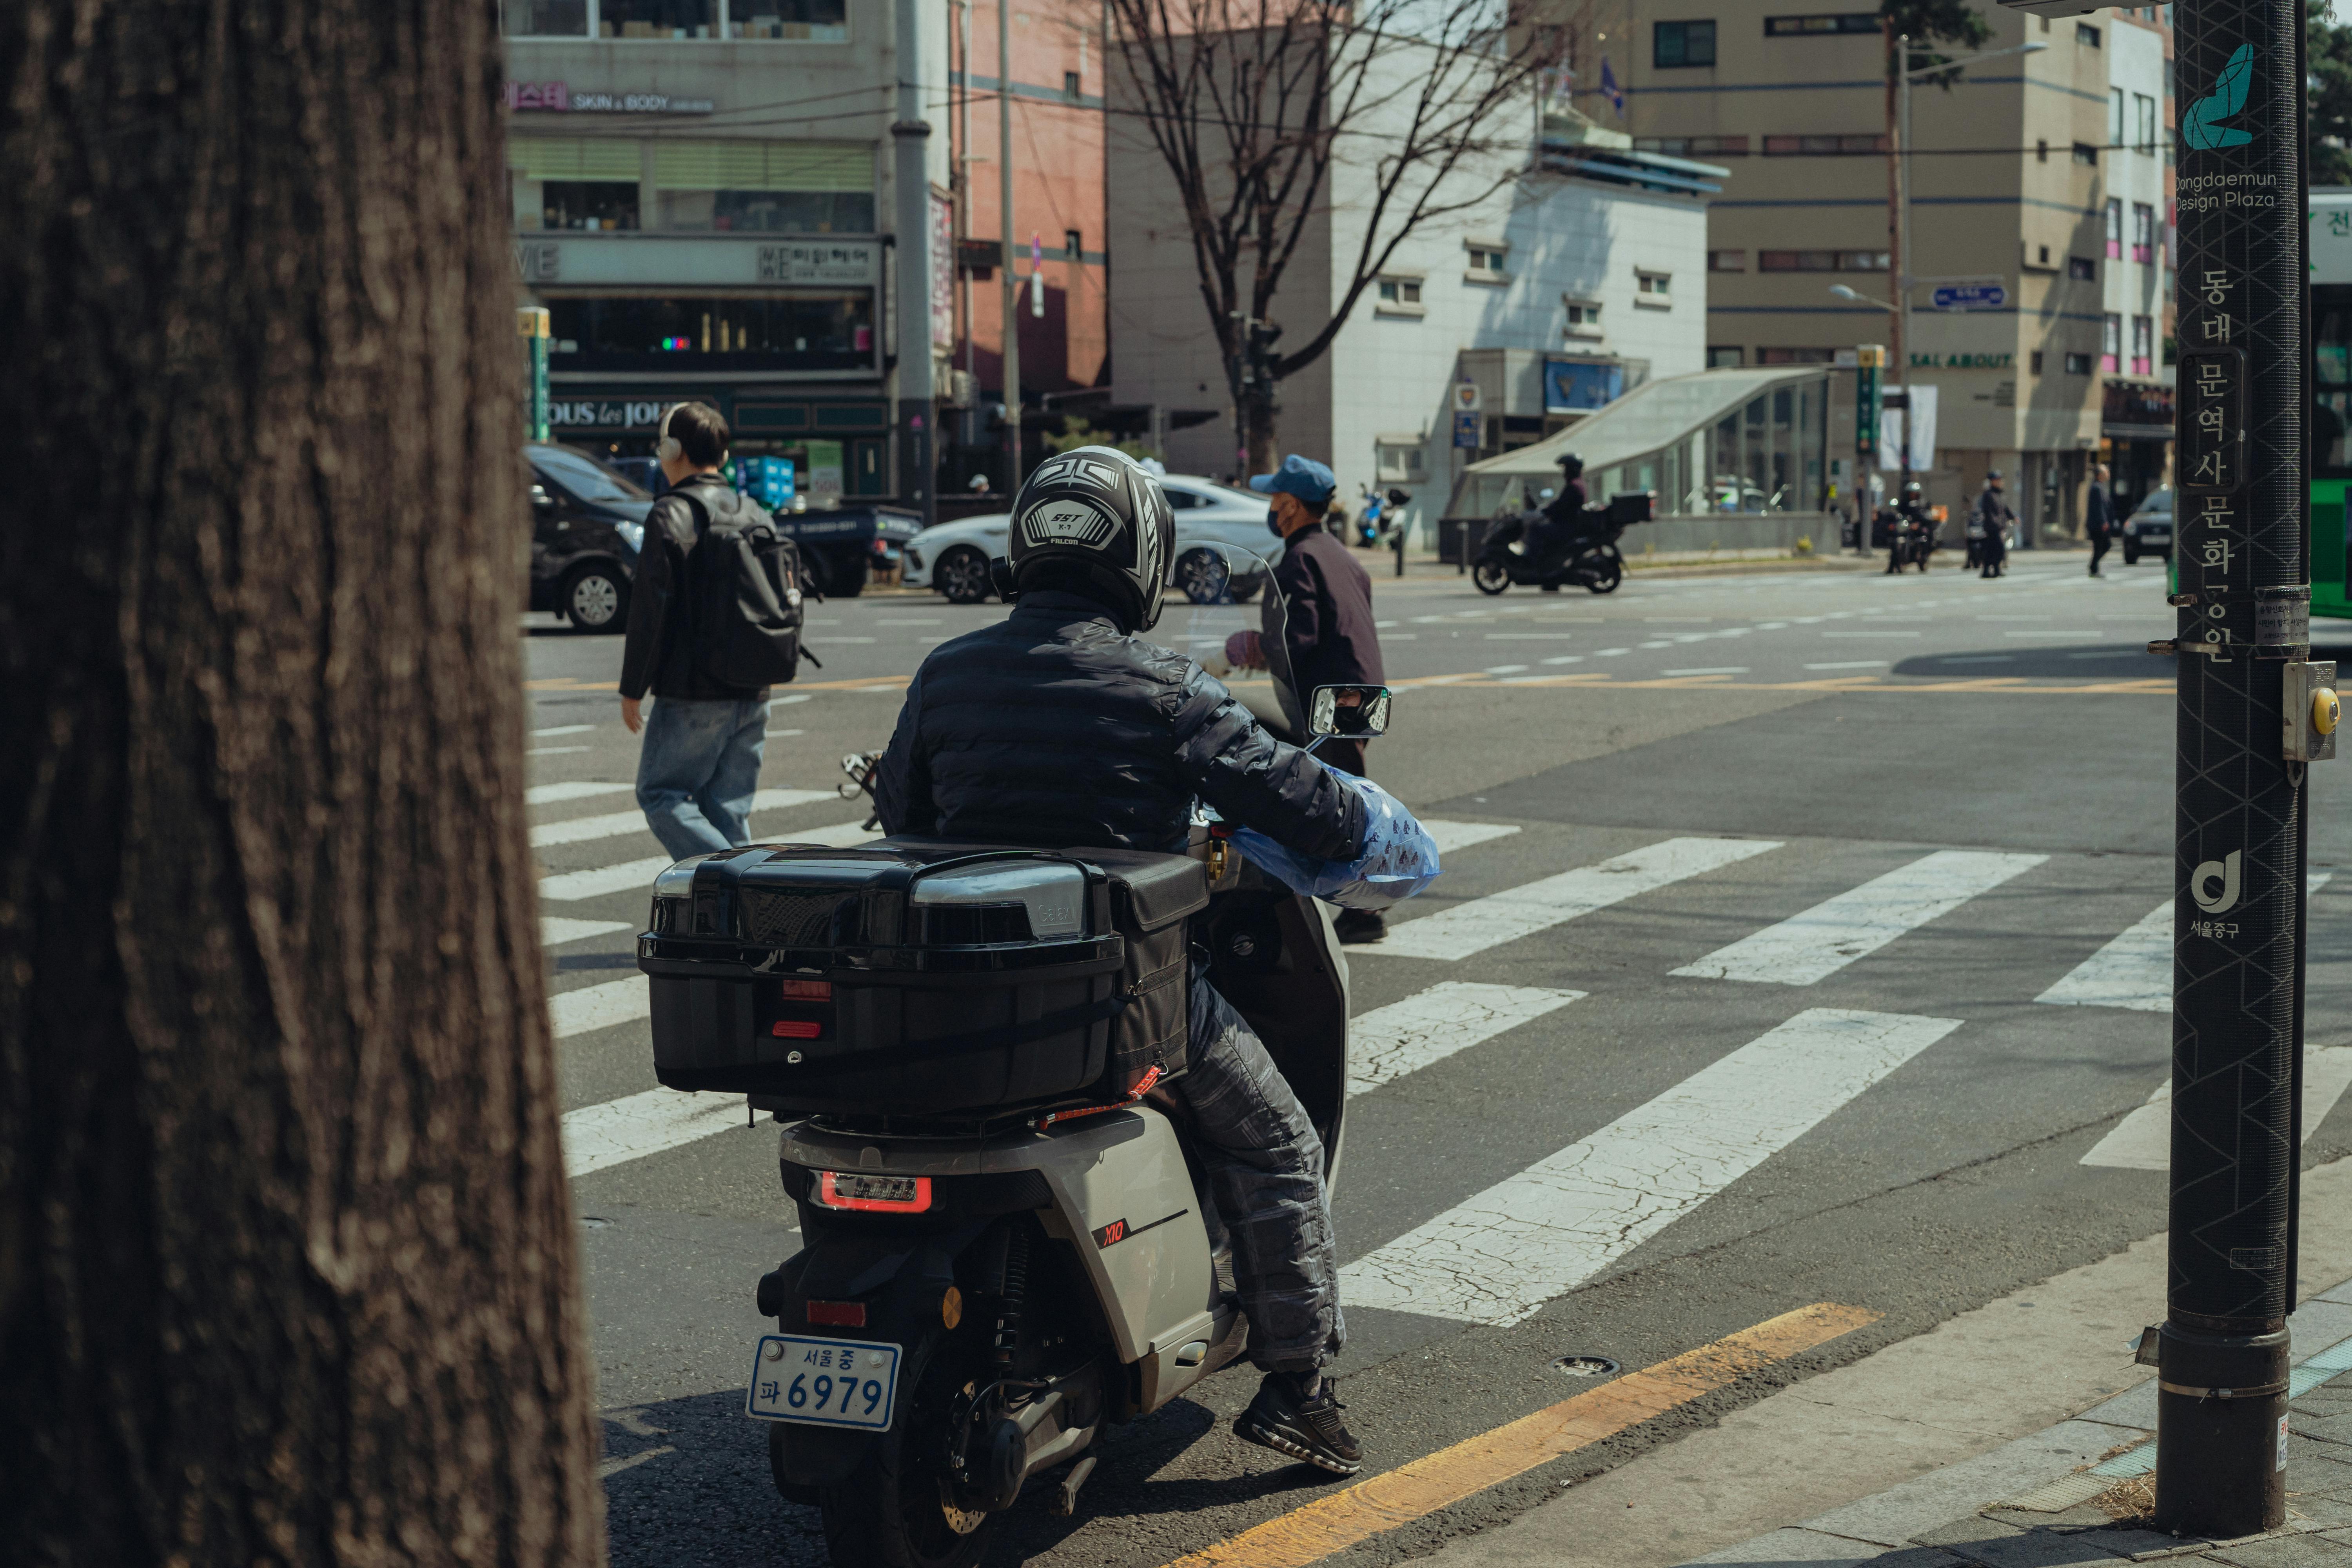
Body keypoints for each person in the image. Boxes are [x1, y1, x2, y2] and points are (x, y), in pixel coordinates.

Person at [872, 445, 1368, 1475]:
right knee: (1276, 1139)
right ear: (1142, 557)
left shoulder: (947, 672)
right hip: (1122, 997)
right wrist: (1354, 811)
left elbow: (901, 817)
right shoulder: (1163, 685)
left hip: (958, 994)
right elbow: (1303, 805)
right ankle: (1299, 1386)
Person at [618, 401, 776, 859]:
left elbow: (652, 608)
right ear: (723, 457)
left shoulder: (671, 512)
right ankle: (743, 917)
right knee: (727, 813)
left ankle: (738, 880)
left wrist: (633, 687)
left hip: (693, 691)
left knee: (661, 795)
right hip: (755, 688)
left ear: (672, 450)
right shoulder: (755, 512)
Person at [1252, 454, 1391, 945]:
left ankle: (1365, 911)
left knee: (1338, 808)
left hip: (1334, 696)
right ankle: (1359, 907)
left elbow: (1301, 637)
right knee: (1346, 796)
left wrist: (1253, 646)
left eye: (1274, 499)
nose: (1271, 508)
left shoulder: (1300, 559)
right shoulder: (1339, 553)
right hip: (1365, 690)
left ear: (1290, 506)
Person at [1526, 451, 1590, 591]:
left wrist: (1545, 512)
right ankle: (1550, 573)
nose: (1564, 472)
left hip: (1567, 527)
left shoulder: (1574, 486)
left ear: (1572, 469)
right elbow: (1560, 504)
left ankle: (1533, 565)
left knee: (1535, 529)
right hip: (1569, 525)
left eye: (1566, 468)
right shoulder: (1578, 484)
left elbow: (1560, 506)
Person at [1975, 470, 2014, 579]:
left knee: (1993, 549)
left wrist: (2013, 517)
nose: (2000, 482)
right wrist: (1995, 524)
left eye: (2000, 480)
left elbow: (2005, 508)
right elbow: (1988, 512)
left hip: (2000, 527)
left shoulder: (2001, 494)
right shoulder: (1988, 495)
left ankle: (1994, 569)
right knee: (1999, 548)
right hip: (1992, 527)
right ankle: (1990, 569)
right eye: (1997, 480)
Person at [1886, 480, 1929, 574]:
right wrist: (1895, 522)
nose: (1913, 495)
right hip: (1906, 528)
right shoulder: (1904, 505)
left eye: (1915, 494)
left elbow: (1925, 518)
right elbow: (1898, 514)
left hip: (1916, 530)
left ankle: (1923, 556)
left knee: (1924, 538)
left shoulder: (1921, 505)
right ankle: (1892, 565)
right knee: (1894, 540)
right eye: (1911, 493)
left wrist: (1918, 524)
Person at [2085, 463, 2114, 577]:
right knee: (2102, 546)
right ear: (2099, 475)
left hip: (2100, 523)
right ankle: (2094, 568)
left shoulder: (2101, 487)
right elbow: (2099, 507)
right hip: (2097, 524)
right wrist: (2104, 522)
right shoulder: (2097, 488)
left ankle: (2094, 567)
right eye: (2105, 472)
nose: (2108, 474)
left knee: (2104, 546)